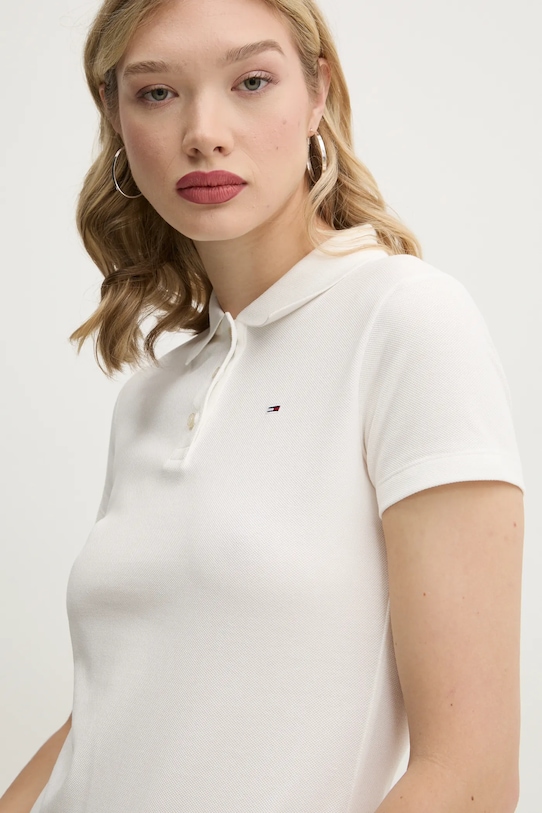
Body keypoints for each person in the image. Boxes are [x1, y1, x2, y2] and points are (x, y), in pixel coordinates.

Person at [0, 0, 525, 811]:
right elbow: (108, 720)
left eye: (250, 81)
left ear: (317, 93)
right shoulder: (150, 397)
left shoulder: (404, 323)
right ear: (115, 117)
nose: (203, 133)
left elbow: (470, 778)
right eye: (156, 92)